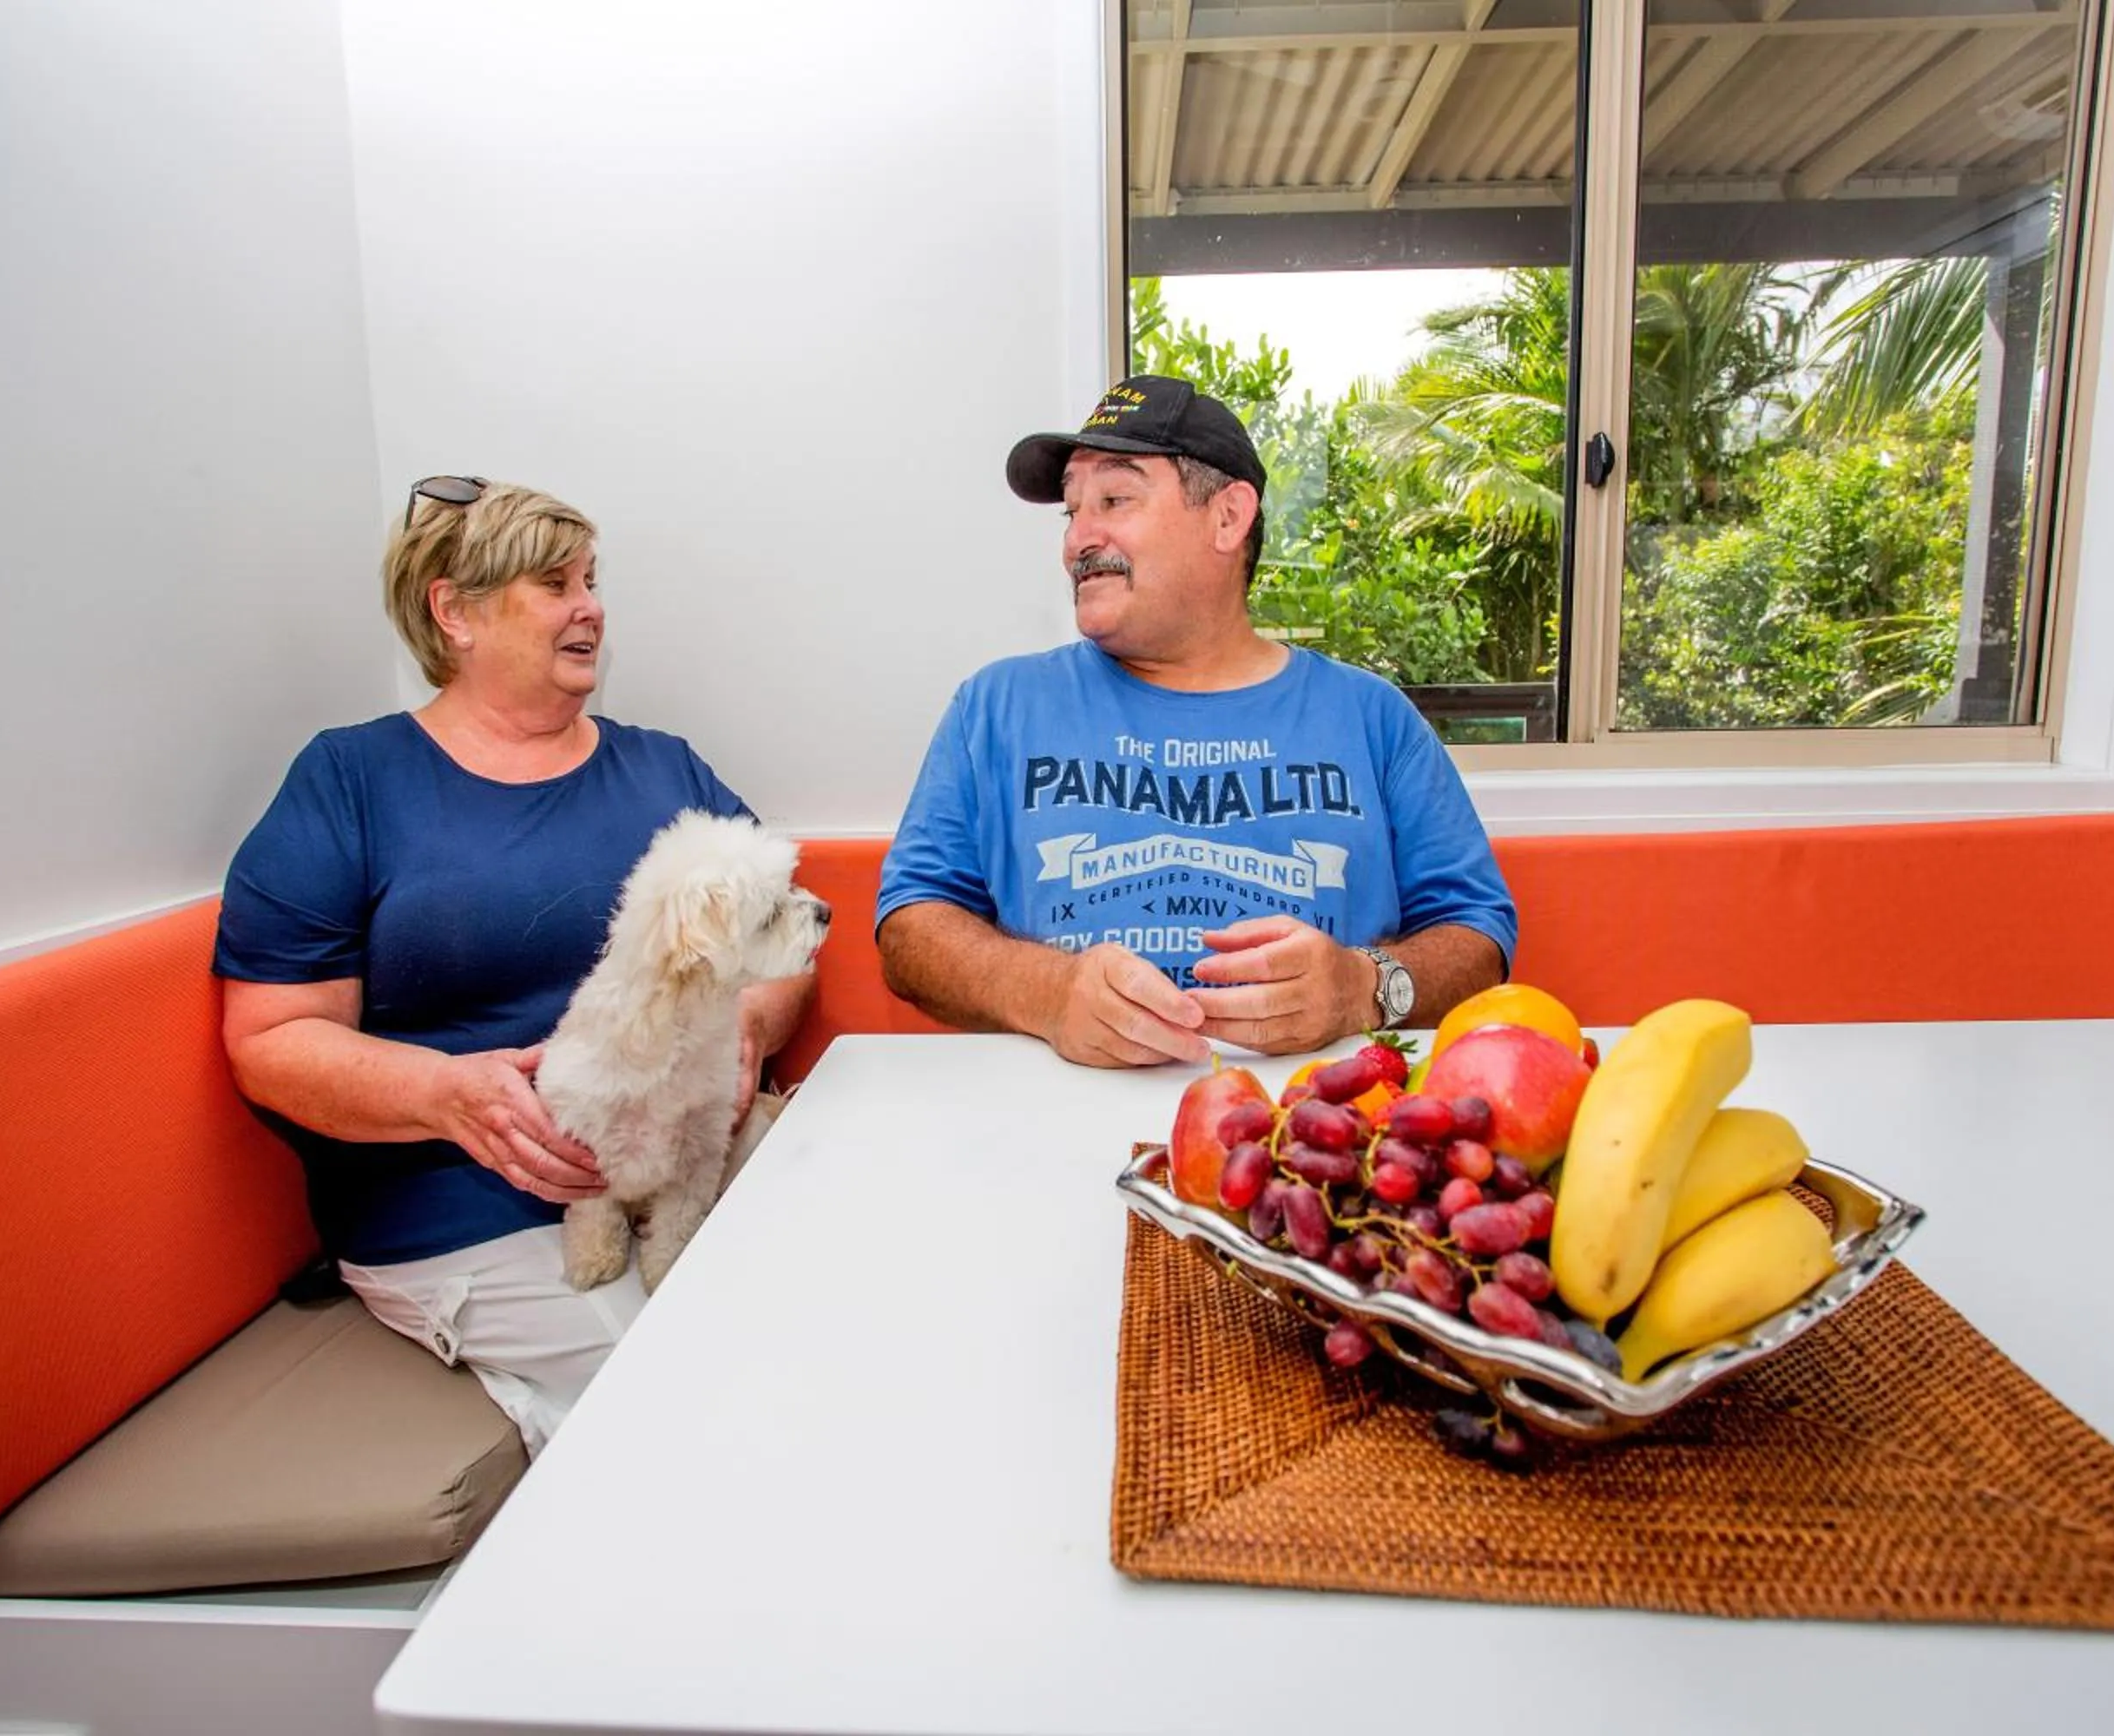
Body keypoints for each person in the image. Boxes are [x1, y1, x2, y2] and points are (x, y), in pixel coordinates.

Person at [214, 477, 811, 1453]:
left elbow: (785, 949)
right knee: (703, 1390)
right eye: (553, 582)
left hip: (677, 1170)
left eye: (589, 579)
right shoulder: (351, 781)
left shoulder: (664, 769)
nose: (591, 606)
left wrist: (746, 1030)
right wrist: (453, 1094)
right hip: (463, 1210)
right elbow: (269, 1040)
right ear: (455, 610)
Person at [876, 376, 1516, 1069]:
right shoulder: (996, 707)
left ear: (1228, 517)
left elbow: (1477, 936)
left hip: (1317, 1126)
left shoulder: (1372, 717)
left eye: (1115, 500)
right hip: (1052, 1113)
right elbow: (910, 929)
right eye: (1071, 512)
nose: (1078, 542)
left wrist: (1364, 987)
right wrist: (1046, 991)